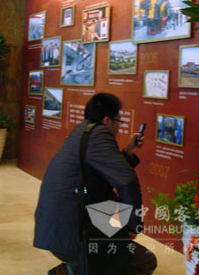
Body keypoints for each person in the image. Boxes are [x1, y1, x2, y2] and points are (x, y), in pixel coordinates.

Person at [34, 93, 157, 275]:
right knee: (144, 261)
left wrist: (129, 152)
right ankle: (72, 268)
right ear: (107, 120)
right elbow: (127, 181)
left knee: (116, 221)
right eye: (119, 122)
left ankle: (74, 267)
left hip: (59, 225)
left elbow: (102, 175)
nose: (119, 127)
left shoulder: (83, 131)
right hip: (69, 231)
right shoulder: (100, 133)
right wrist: (133, 225)